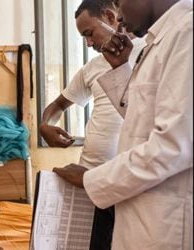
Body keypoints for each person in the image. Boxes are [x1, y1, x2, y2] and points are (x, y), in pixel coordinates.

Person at [53, 0, 193, 249]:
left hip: (164, 223)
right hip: (139, 210)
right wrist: (120, 68)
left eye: (118, 3)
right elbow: (140, 120)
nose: (117, 17)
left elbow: (174, 146)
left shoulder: (187, 33)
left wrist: (91, 179)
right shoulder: (159, 40)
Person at [39, 0, 144, 249]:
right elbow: (56, 106)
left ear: (110, 16)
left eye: (89, 34)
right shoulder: (92, 68)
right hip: (88, 181)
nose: (88, 43)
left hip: (126, 182)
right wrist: (45, 124)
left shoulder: (147, 54)